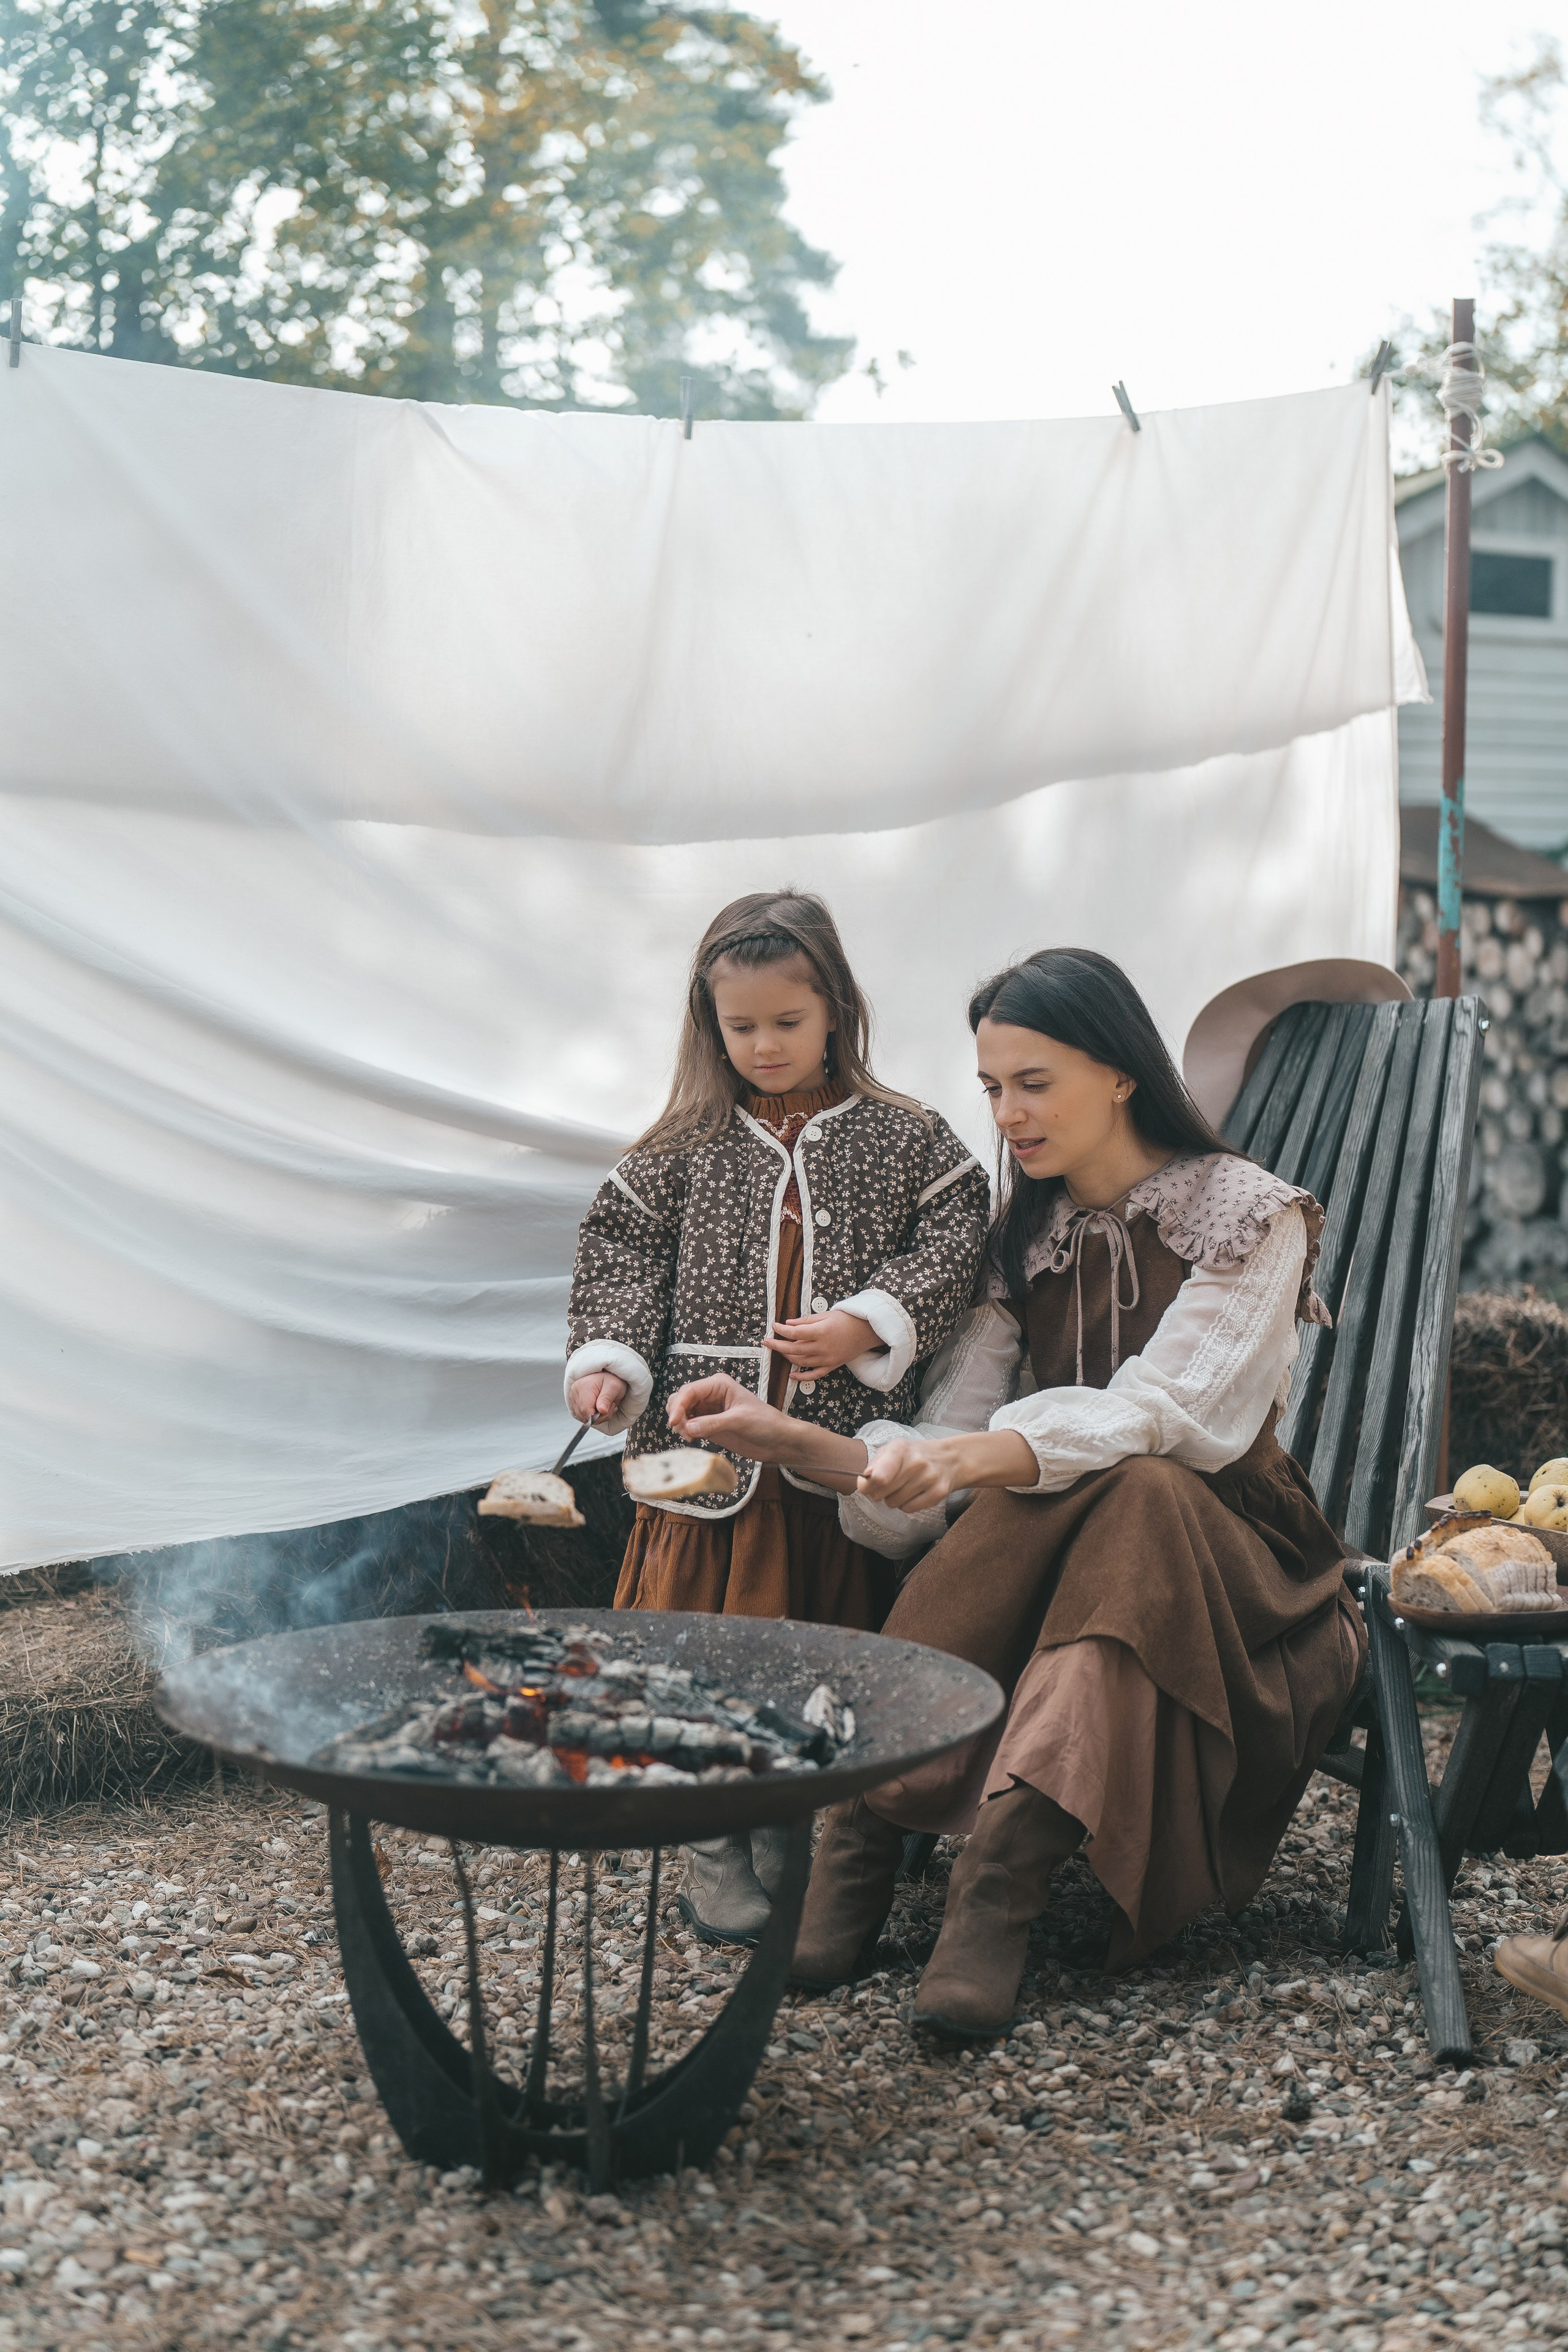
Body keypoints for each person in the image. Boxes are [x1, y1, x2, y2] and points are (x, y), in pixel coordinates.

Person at [665, 946, 1366, 2034]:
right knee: (1073, 1494)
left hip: (1241, 1575)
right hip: (1070, 1569)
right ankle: (913, 1854)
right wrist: (792, 1440)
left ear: (1122, 1072)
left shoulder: (1251, 1214)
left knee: (1138, 1486)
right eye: (992, 1087)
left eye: (1034, 1084)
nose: (1006, 1115)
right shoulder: (1018, 1237)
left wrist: (981, 1459)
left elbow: (1172, 1415)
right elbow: (943, 1452)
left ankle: (985, 1885)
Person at [564, 889, 989, 1943]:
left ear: (837, 1008)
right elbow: (618, 1255)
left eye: (786, 1024)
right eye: (739, 1025)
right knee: (706, 1661)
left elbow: (957, 1235)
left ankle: (795, 1830)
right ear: (709, 1024)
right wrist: (609, 1366)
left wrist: (866, 1323)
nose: (762, 1045)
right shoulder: (679, 1147)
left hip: (822, 1463)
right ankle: (715, 1845)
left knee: (818, 1660)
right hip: (700, 1465)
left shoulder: (906, 1140)